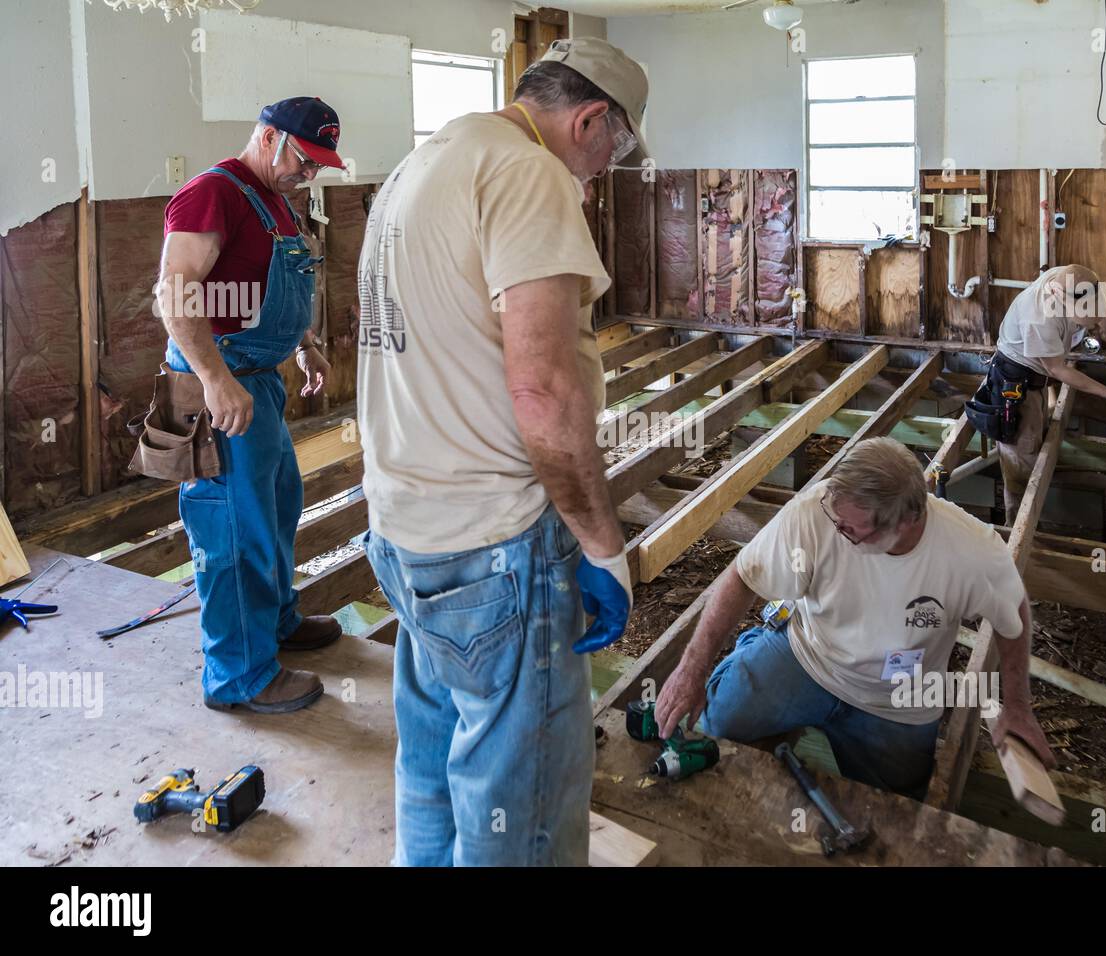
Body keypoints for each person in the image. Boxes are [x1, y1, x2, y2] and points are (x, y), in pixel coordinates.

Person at [356, 38, 651, 866]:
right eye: (613, 152)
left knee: (433, 760)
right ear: (591, 119)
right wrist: (603, 545)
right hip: (496, 548)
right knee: (519, 803)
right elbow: (545, 395)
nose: (602, 172)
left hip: (404, 527)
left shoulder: (424, 166)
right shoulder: (530, 175)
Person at [653, 438, 1055, 801]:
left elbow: (1013, 611)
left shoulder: (970, 550)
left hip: (896, 700)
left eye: (852, 530)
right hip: (808, 656)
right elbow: (742, 576)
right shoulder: (817, 512)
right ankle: (755, 651)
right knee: (718, 722)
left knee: (899, 807)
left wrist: (1017, 705)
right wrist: (692, 670)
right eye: (835, 516)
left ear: (905, 522)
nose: (838, 528)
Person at [156, 97, 344, 713]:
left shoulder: (273, 202)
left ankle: (277, 622)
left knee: (277, 507)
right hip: (223, 386)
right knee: (232, 528)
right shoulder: (213, 193)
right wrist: (211, 378)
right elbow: (175, 292)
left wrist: (306, 345)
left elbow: (266, 291)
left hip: (258, 380)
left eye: (319, 166)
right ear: (268, 138)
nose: (308, 174)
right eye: (303, 159)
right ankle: (237, 674)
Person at [989, 263, 1106, 519]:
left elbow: (1105, 314)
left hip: (1042, 374)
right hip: (1017, 380)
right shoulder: (1037, 318)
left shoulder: (1078, 279)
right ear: (1058, 295)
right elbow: (1058, 370)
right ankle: (1017, 529)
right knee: (1022, 463)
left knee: (1042, 435)